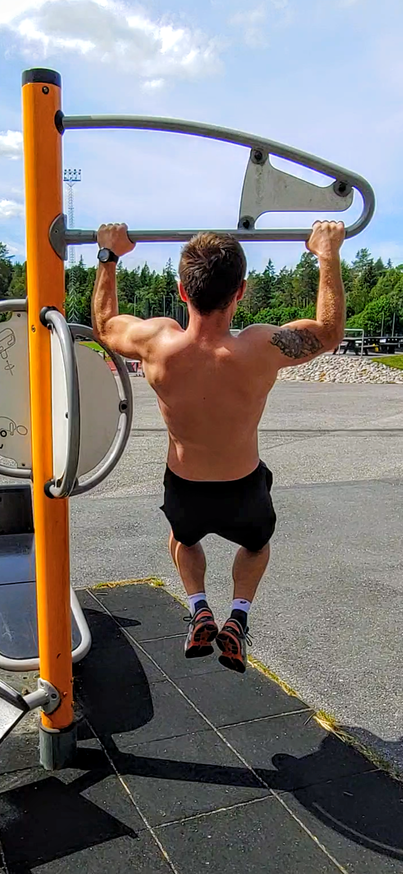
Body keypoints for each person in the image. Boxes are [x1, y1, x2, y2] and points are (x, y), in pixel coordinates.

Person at [92, 220, 346, 673]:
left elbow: (105, 325)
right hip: (243, 486)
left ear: (182, 291)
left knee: (182, 538)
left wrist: (109, 256)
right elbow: (328, 332)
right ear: (241, 291)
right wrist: (327, 254)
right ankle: (238, 618)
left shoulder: (157, 343)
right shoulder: (262, 346)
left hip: (186, 486)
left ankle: (200, 608)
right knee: (256, 546)